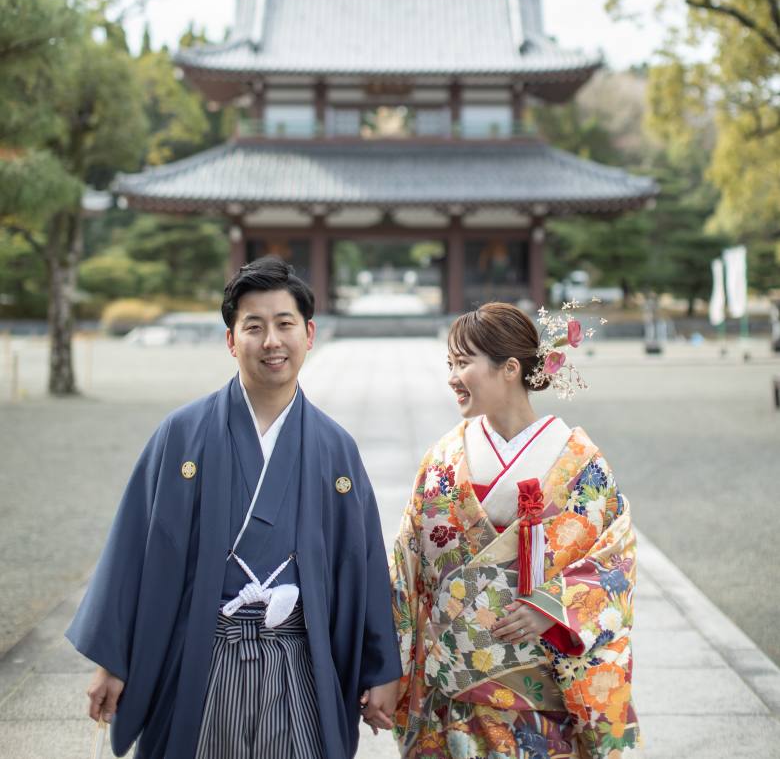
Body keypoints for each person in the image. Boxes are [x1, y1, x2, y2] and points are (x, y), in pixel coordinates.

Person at [67, 255, 401, 759]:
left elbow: (365, 563)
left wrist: (380, 670)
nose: (272, 341)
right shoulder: (182, 434)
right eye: (254, 327)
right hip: (200, 653)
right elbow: (134, 547)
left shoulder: (336, 448)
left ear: (309, 334)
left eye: (285, 324)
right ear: (231, 340)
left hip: (299, 659)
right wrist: (112, 661)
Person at [390, 302, 640, 757]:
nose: (451, 377)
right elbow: (406, 564)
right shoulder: (443, 459)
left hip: (540, 705)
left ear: (509, 369)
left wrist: (553, 608)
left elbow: (614, 559)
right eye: (450, 363)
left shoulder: (579, 462)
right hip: (453, 696)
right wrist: (386, 669)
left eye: (463, 363)